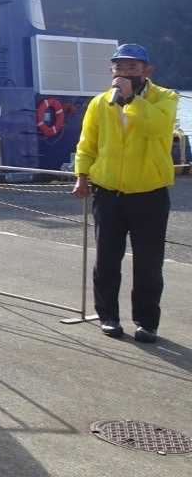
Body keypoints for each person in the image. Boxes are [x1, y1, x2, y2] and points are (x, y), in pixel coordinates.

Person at [72, 43, 177, 344]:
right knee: (106, 259)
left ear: (146, 70)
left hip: (150, 193)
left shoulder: (165, 98)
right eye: (119, 66)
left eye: (132, 66)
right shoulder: (99, 103)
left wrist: (132, 99)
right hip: (108, 193)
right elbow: (87, 143)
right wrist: (82, 176)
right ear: (112, 70)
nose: (124, 71)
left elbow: (158, 127)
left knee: (148, 263)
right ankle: (108, 317)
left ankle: (146, 322)